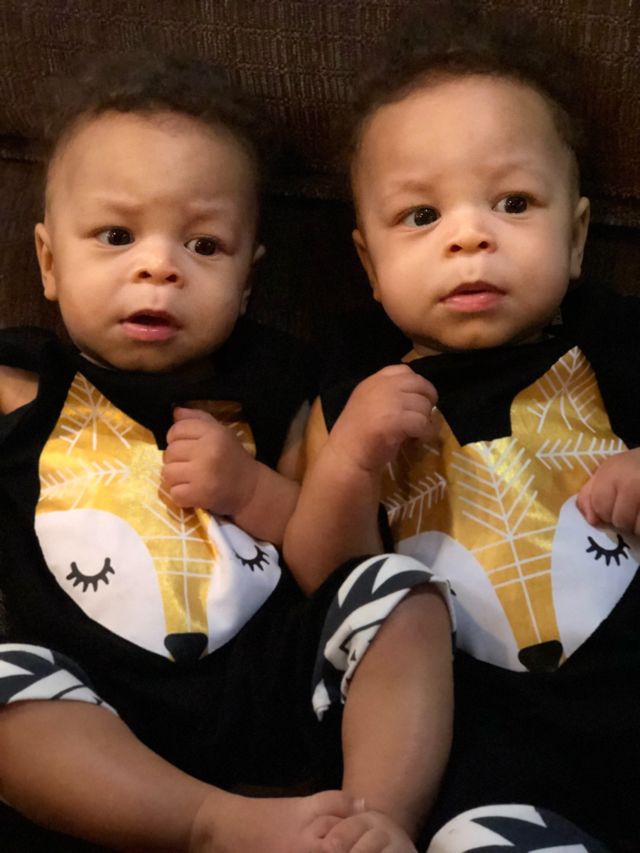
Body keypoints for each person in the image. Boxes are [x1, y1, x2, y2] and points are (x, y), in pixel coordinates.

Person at [0, 53, 454, 852]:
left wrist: (249, 490)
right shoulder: (21, 385)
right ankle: (212, 823)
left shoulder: (283, 386)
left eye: (205, 245)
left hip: (276, 692)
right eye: (116, 236)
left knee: (400, 590)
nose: (159, 266)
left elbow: (326, 559)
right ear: (47, 261)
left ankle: (373, 820)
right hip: (93, 713)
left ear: (247, 280)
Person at [284, 9, 640, 852]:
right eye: (420, 216)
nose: (470, 236)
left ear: (577, 238)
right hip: (481, 755)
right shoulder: (354, 390)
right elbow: (326, 575)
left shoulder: (618, 343)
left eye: (513, 203)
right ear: (369, 265)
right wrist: (351, 460)